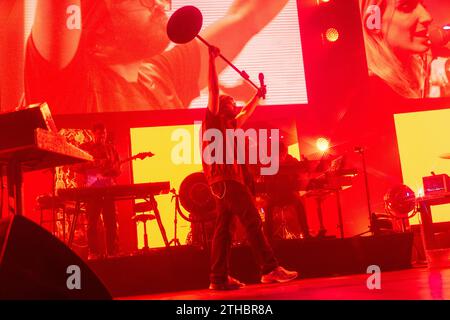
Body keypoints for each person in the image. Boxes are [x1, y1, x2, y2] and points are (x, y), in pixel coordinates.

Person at [24, 0, 289, 114]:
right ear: (98, 23)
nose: (160, 5)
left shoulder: (164, 74)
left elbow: (247, 18)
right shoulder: (70, 79)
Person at [202, 45, 298, 290]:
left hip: (221, 183)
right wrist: (211, 60)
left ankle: (218, 278)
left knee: (224, 230)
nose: (235, 106)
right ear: (222, 105)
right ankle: (269, 268)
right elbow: (213, 90)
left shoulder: (230, 125)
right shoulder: (213, 118)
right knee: (252, 219)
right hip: (226, 180)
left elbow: (246, 112)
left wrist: (258, 96)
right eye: (231, 102)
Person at [360, 0, 449, 98]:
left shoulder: (419, 69)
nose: (428, 17)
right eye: (406, 7)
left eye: (423, 6)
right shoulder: (370, 91)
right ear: (373, 21)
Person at [77, 123, 121, 259]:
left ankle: (113, 253)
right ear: (93, 134)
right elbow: (76, 166)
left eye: (104, 134)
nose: (102, 136)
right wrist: (95, 163)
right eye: (99, 134)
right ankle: (93, 253)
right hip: (92, 189)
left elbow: (118, 171)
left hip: (108, 189)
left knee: (111, 222)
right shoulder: (85, 148)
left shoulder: (111, 149)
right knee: (92, 223)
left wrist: (112, 169)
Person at [264, 142, 311, 241]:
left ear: (285, 152)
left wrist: (304, 165)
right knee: (268, 207)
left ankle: (306, 233)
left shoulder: (291, 160)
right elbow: (266, 178)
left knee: (300, 204)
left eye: (283, 153)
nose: (281, 156)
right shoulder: (270, 162)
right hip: (276, 194)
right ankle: (268, 237)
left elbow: (300, 169)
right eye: (279, 154)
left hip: (290, 194)